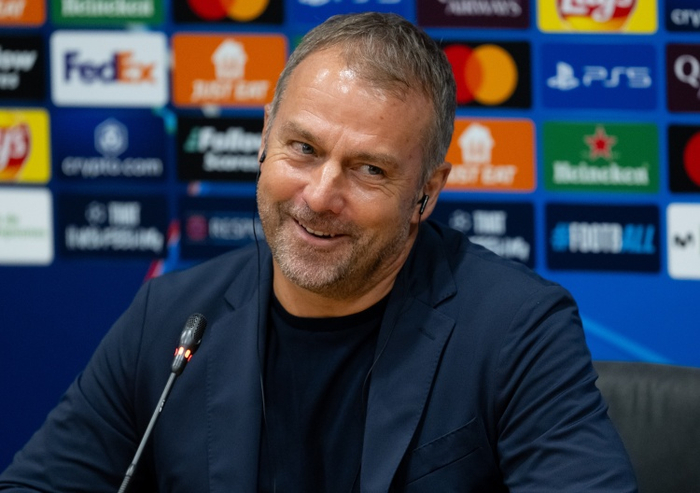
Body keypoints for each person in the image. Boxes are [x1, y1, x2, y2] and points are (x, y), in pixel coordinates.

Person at [0, 12, 637, 492]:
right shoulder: (170, 319)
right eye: (303, 149)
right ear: (265, 137)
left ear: (427, 192)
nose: (321, 194)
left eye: (369, 170)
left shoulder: (517, 329)